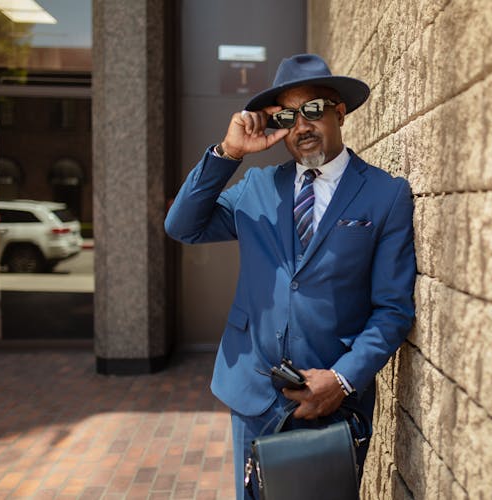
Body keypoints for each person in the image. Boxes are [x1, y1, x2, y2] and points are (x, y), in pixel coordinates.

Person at [164, 53, 416, 498]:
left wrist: (341, 379)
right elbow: (183, 225)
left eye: (314, 110)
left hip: (331, 399)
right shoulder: (257, 186)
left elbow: (392, 310)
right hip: (252, 390)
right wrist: (229, 154)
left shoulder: (385, 194)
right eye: (287, 115)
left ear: (339, 112)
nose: (302, 125)